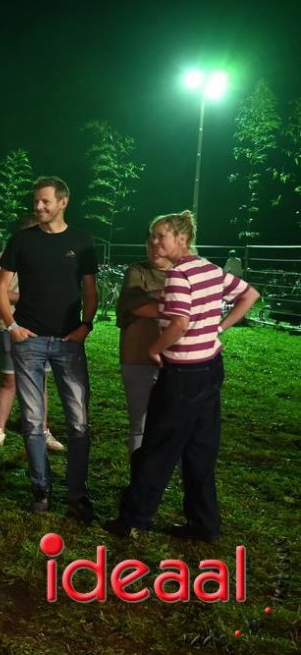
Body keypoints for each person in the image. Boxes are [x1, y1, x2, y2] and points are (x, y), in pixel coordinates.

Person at [106, 211, 259, 542]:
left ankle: (133, 520)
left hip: (182, 374)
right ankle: (204, 524)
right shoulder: (210, 269)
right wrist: (219, 328)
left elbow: (179, 322)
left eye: (161, 235)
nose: (155, 241)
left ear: (182, 238)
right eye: (153, 235)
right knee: (200, 450)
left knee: (157, 448)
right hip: (211, 368)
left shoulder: (178, 274)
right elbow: (250, 294)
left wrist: (155, 349)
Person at [0, 177, 98, 521]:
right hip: (29, 342)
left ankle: (77, 493)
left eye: (45, 202)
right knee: (33, 420)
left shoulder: (81, 241)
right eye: (36, 201)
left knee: (79, 422)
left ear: (63, 202)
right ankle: (41, 488)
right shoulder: (22, 240)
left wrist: (86, 325)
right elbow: (0, 287)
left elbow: (90, 289)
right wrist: (12, 326)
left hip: (69, 342)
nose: (38, 207)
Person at [0, 214, 63, 452]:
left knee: (40, 381)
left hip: (42, 327)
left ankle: (43, 430)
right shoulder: (6, 255)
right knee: (9, 379)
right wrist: (27, 298)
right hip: (9, 325)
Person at [116, 237, 171, 453]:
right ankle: (140, 471)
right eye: (150, 243)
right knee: (140, 424)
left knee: (173, 423)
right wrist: (181, 310)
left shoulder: (185, 272)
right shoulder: (137, 271)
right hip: (138, 356)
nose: (154, 248)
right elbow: (137, 305)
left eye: (161, 243)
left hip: (178, 360)